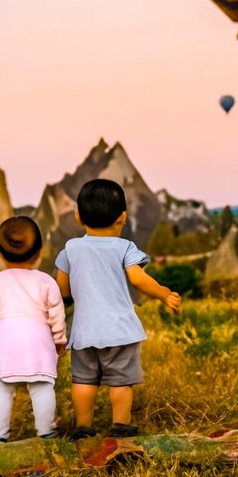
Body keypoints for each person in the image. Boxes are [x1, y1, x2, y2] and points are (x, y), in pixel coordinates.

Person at [55, 178, 182, 438]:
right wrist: (163, 294)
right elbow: (137, 279)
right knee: (120, 380)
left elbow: (63, 289)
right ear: (122, 218)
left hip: (84, 331)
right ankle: (120, 426)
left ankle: (82, 427)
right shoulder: (124, 247)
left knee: (83, 380)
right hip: (120, 330)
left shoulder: (71, 249)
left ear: (78, 217)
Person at [0, 216, 68, 442]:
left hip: (5, 345)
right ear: (39, 252)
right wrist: (60, 339)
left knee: (2, 389)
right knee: (42, 389)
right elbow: (57, 315)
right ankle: (47, 433)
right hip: (38, 345)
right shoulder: (46, 282)